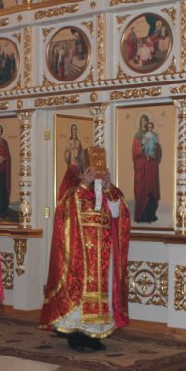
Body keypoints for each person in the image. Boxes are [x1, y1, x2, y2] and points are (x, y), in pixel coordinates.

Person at [40, 148, 130, 352]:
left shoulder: (108, 190)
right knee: (80, 294)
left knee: (102, 294)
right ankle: (76, 336)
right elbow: (65, 212)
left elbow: (119, 215)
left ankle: (94, 335)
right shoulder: (73, 189)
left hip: (103, 253)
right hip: (80, 254)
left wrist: (108, 188)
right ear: (82, 166)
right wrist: (83, 185)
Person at [132, 115, 161, 223]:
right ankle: (141, 216)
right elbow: (135, 152)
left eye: (146, 121)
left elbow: (156, 149)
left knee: (151, 188)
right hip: (141, 167)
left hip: (151, 165)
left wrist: (156, 146)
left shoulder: (152, 134)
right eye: (142, 121)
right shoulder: (137, 136)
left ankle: (150, 215)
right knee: (141, 190)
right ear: (140, 123)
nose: (144, 123)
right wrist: (144, 146)